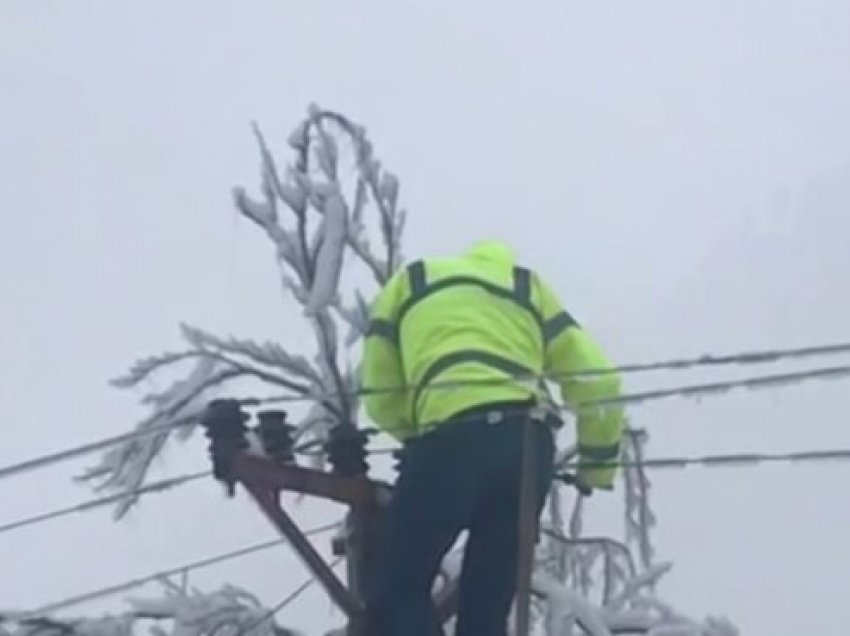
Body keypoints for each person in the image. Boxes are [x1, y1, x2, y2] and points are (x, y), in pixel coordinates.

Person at [360, 239, 624, 636]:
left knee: (397, 591)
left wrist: (418, 439)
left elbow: (379, 394)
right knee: (486, 606)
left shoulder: (409, 284)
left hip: (451, 435)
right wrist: (596, 468)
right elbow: (600, 384)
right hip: (526, 444)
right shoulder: (524, 287)